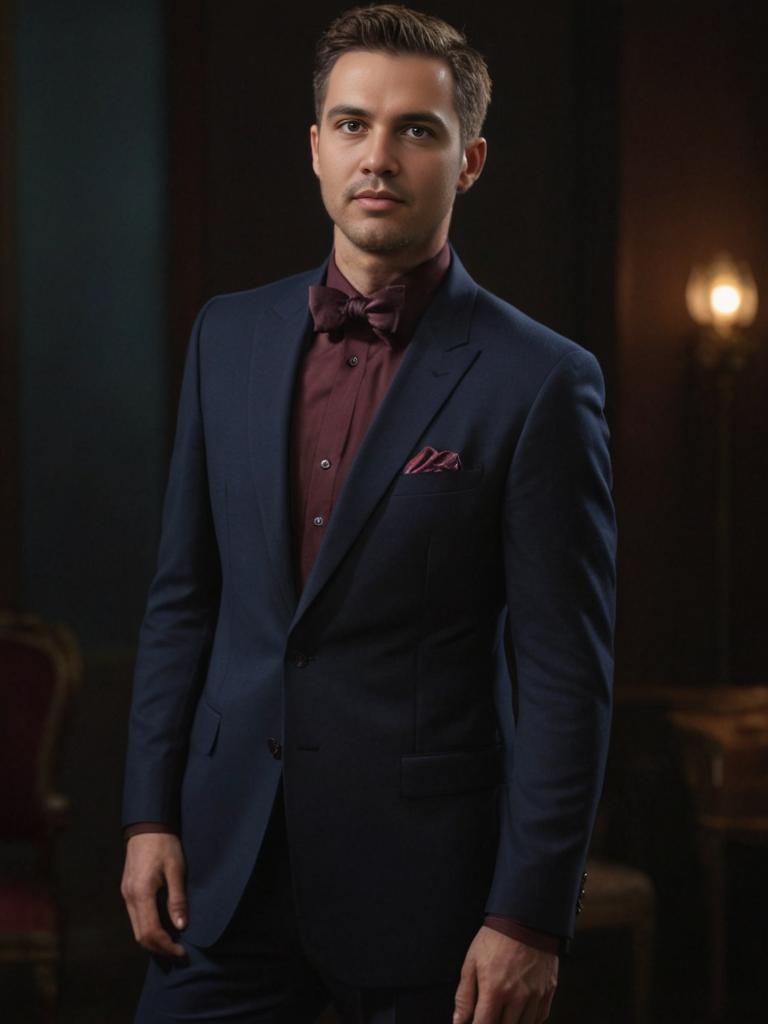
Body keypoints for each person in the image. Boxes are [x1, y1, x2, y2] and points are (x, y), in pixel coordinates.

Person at [120, 5, 616, 1023]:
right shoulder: (228, 336)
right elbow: (184, 600)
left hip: (427, 900)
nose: (377, 156)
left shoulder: (543, 381)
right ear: (315, 149)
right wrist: (148, 812)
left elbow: (566, 674)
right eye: (351, 125)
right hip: (223, 872)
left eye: (415, 131)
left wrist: (529, 915)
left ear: (469, 160)